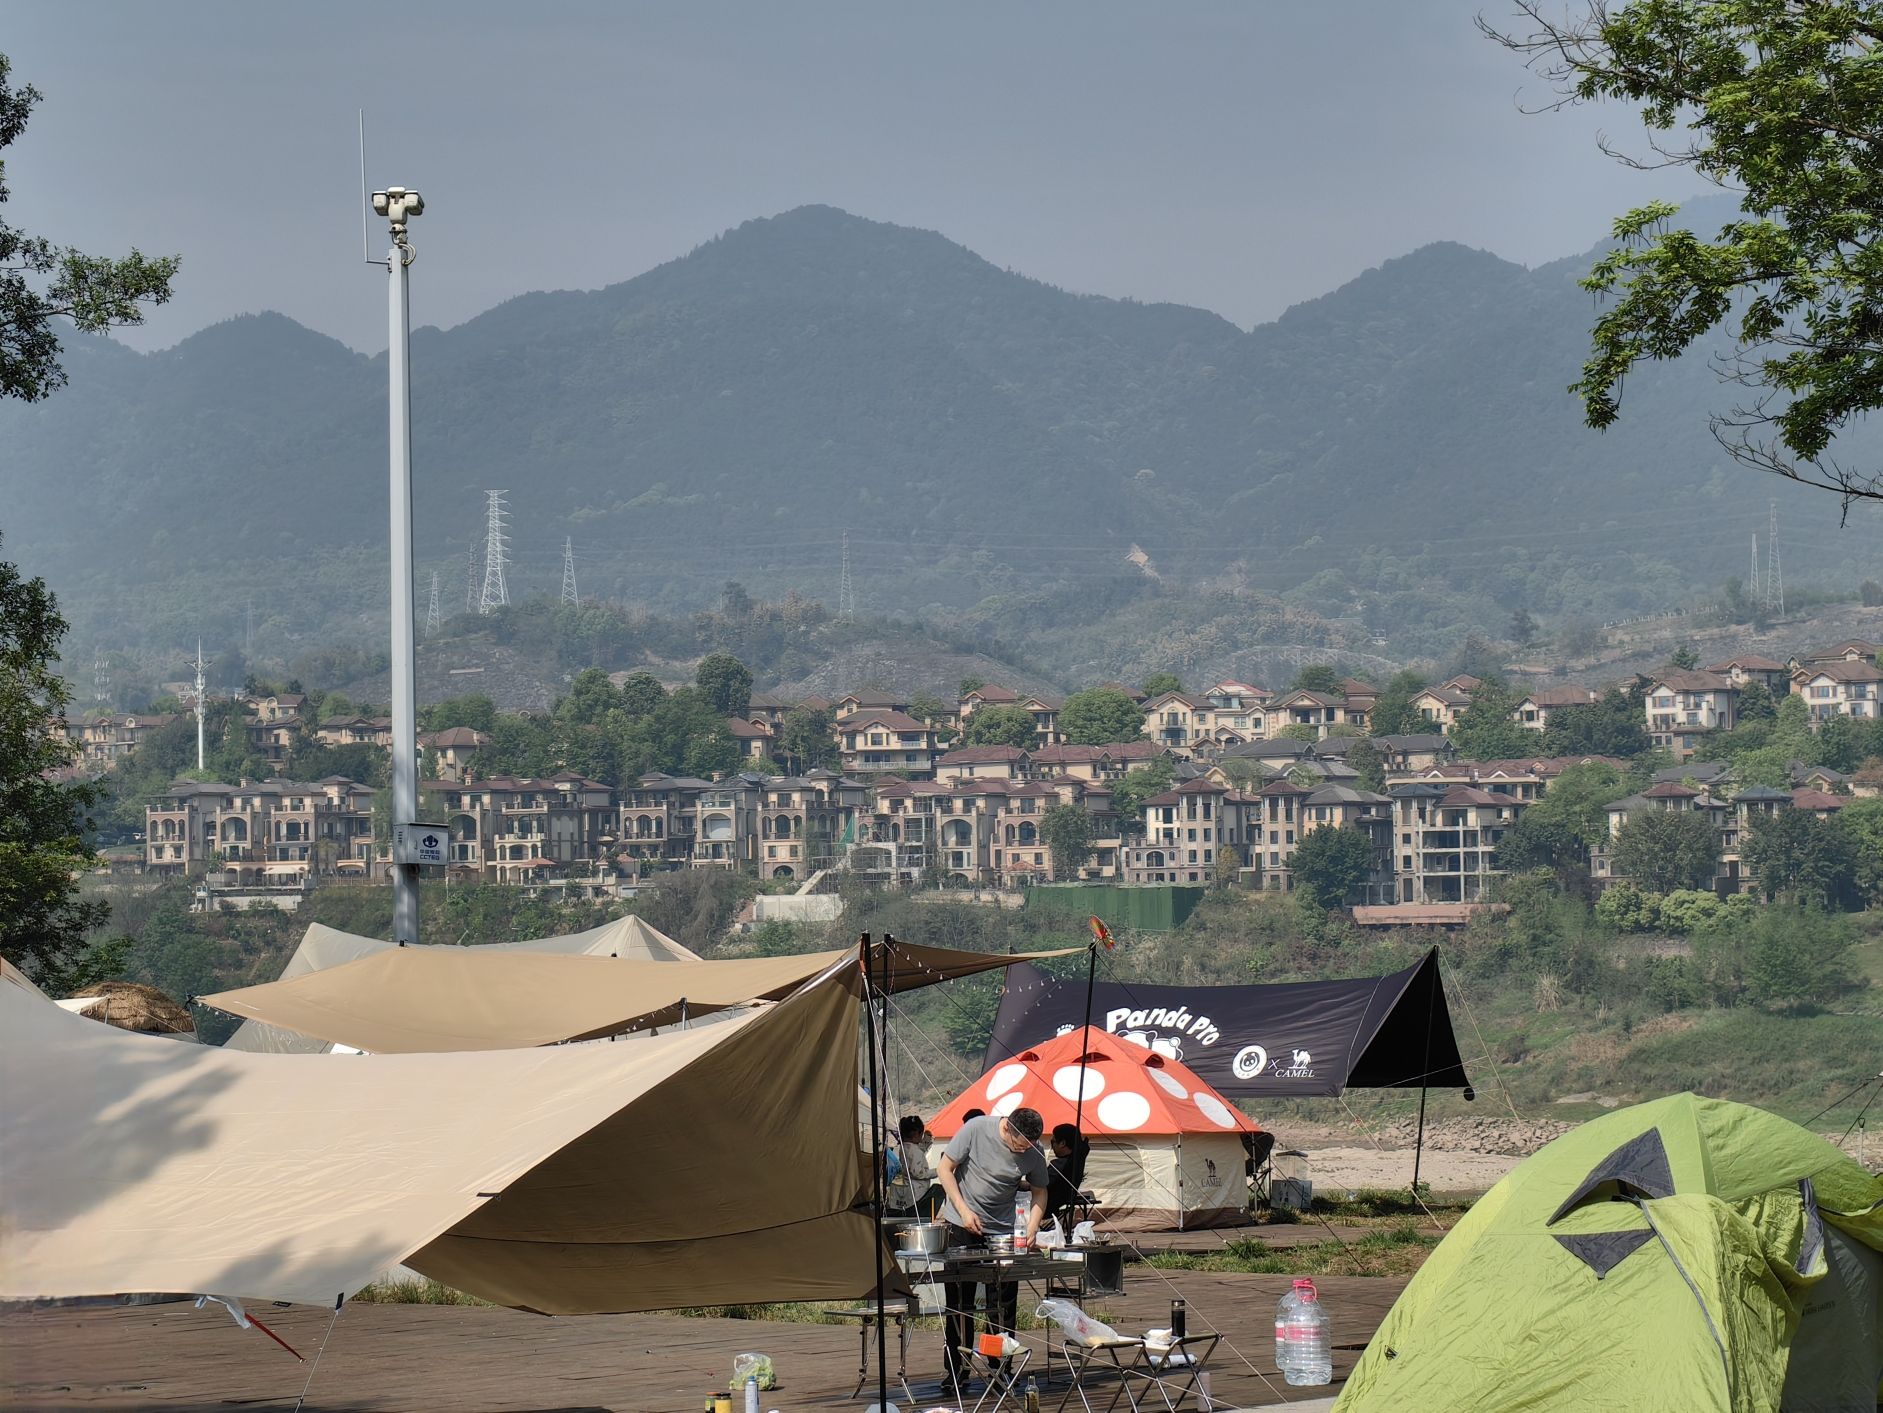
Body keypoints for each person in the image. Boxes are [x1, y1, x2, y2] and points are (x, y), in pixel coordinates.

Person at [936, 1107, 1049, 1393]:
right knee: (960, 1301)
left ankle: (1001, 1368)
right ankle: (957, 1371)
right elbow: (944, 1169)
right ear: (1007, 1128)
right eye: (1019, 1144)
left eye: (1030, 1145)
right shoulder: (976, 1129)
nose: (1024, 1150)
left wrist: (1032, 1227)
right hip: (962, 1223)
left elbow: (1040, 1191)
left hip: (1002, 1231)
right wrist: (962, 1210)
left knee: (1002, 1303)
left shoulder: (1034, 1152)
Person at [887, 1114, 939, 1217]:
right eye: (921, 1134)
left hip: (909, 1188)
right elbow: (918, 1173)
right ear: (916, 1134)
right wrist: (938, 1171)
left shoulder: (905, 1147)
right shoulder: (913, 1150)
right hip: (917, 1192)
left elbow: (918, 1153)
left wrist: (926, 1141)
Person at [1046, 1123, 1091, 1233]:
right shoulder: (1077, 1161)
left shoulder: (1059, 1165)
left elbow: (1039, 1185)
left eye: (1053, 1142)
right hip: (1060, 1202)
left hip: (1044, 1206)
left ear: (1062, 1143)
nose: (1052, 1147)